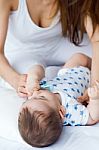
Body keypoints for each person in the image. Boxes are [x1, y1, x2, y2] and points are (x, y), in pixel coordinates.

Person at [0, 0, 99, 99]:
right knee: (31, 84)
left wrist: (94, 88)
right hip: (22, 52)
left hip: (57, 44)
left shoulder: (78, 2)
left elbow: (96, 40)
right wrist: (16, 80)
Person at [18, 53, 99, 148]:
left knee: (78, 57)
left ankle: (94, 64)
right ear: (61, 111)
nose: (35, 93)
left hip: (66, 72)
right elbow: (92, 118)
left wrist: (33, 78)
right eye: (41, 97)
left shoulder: (38, 91)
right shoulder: (71, 112)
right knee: (87, 62)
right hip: (89, 81)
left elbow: (39, 68)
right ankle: (95, 67)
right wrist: (94, 99)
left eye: (28, 100)